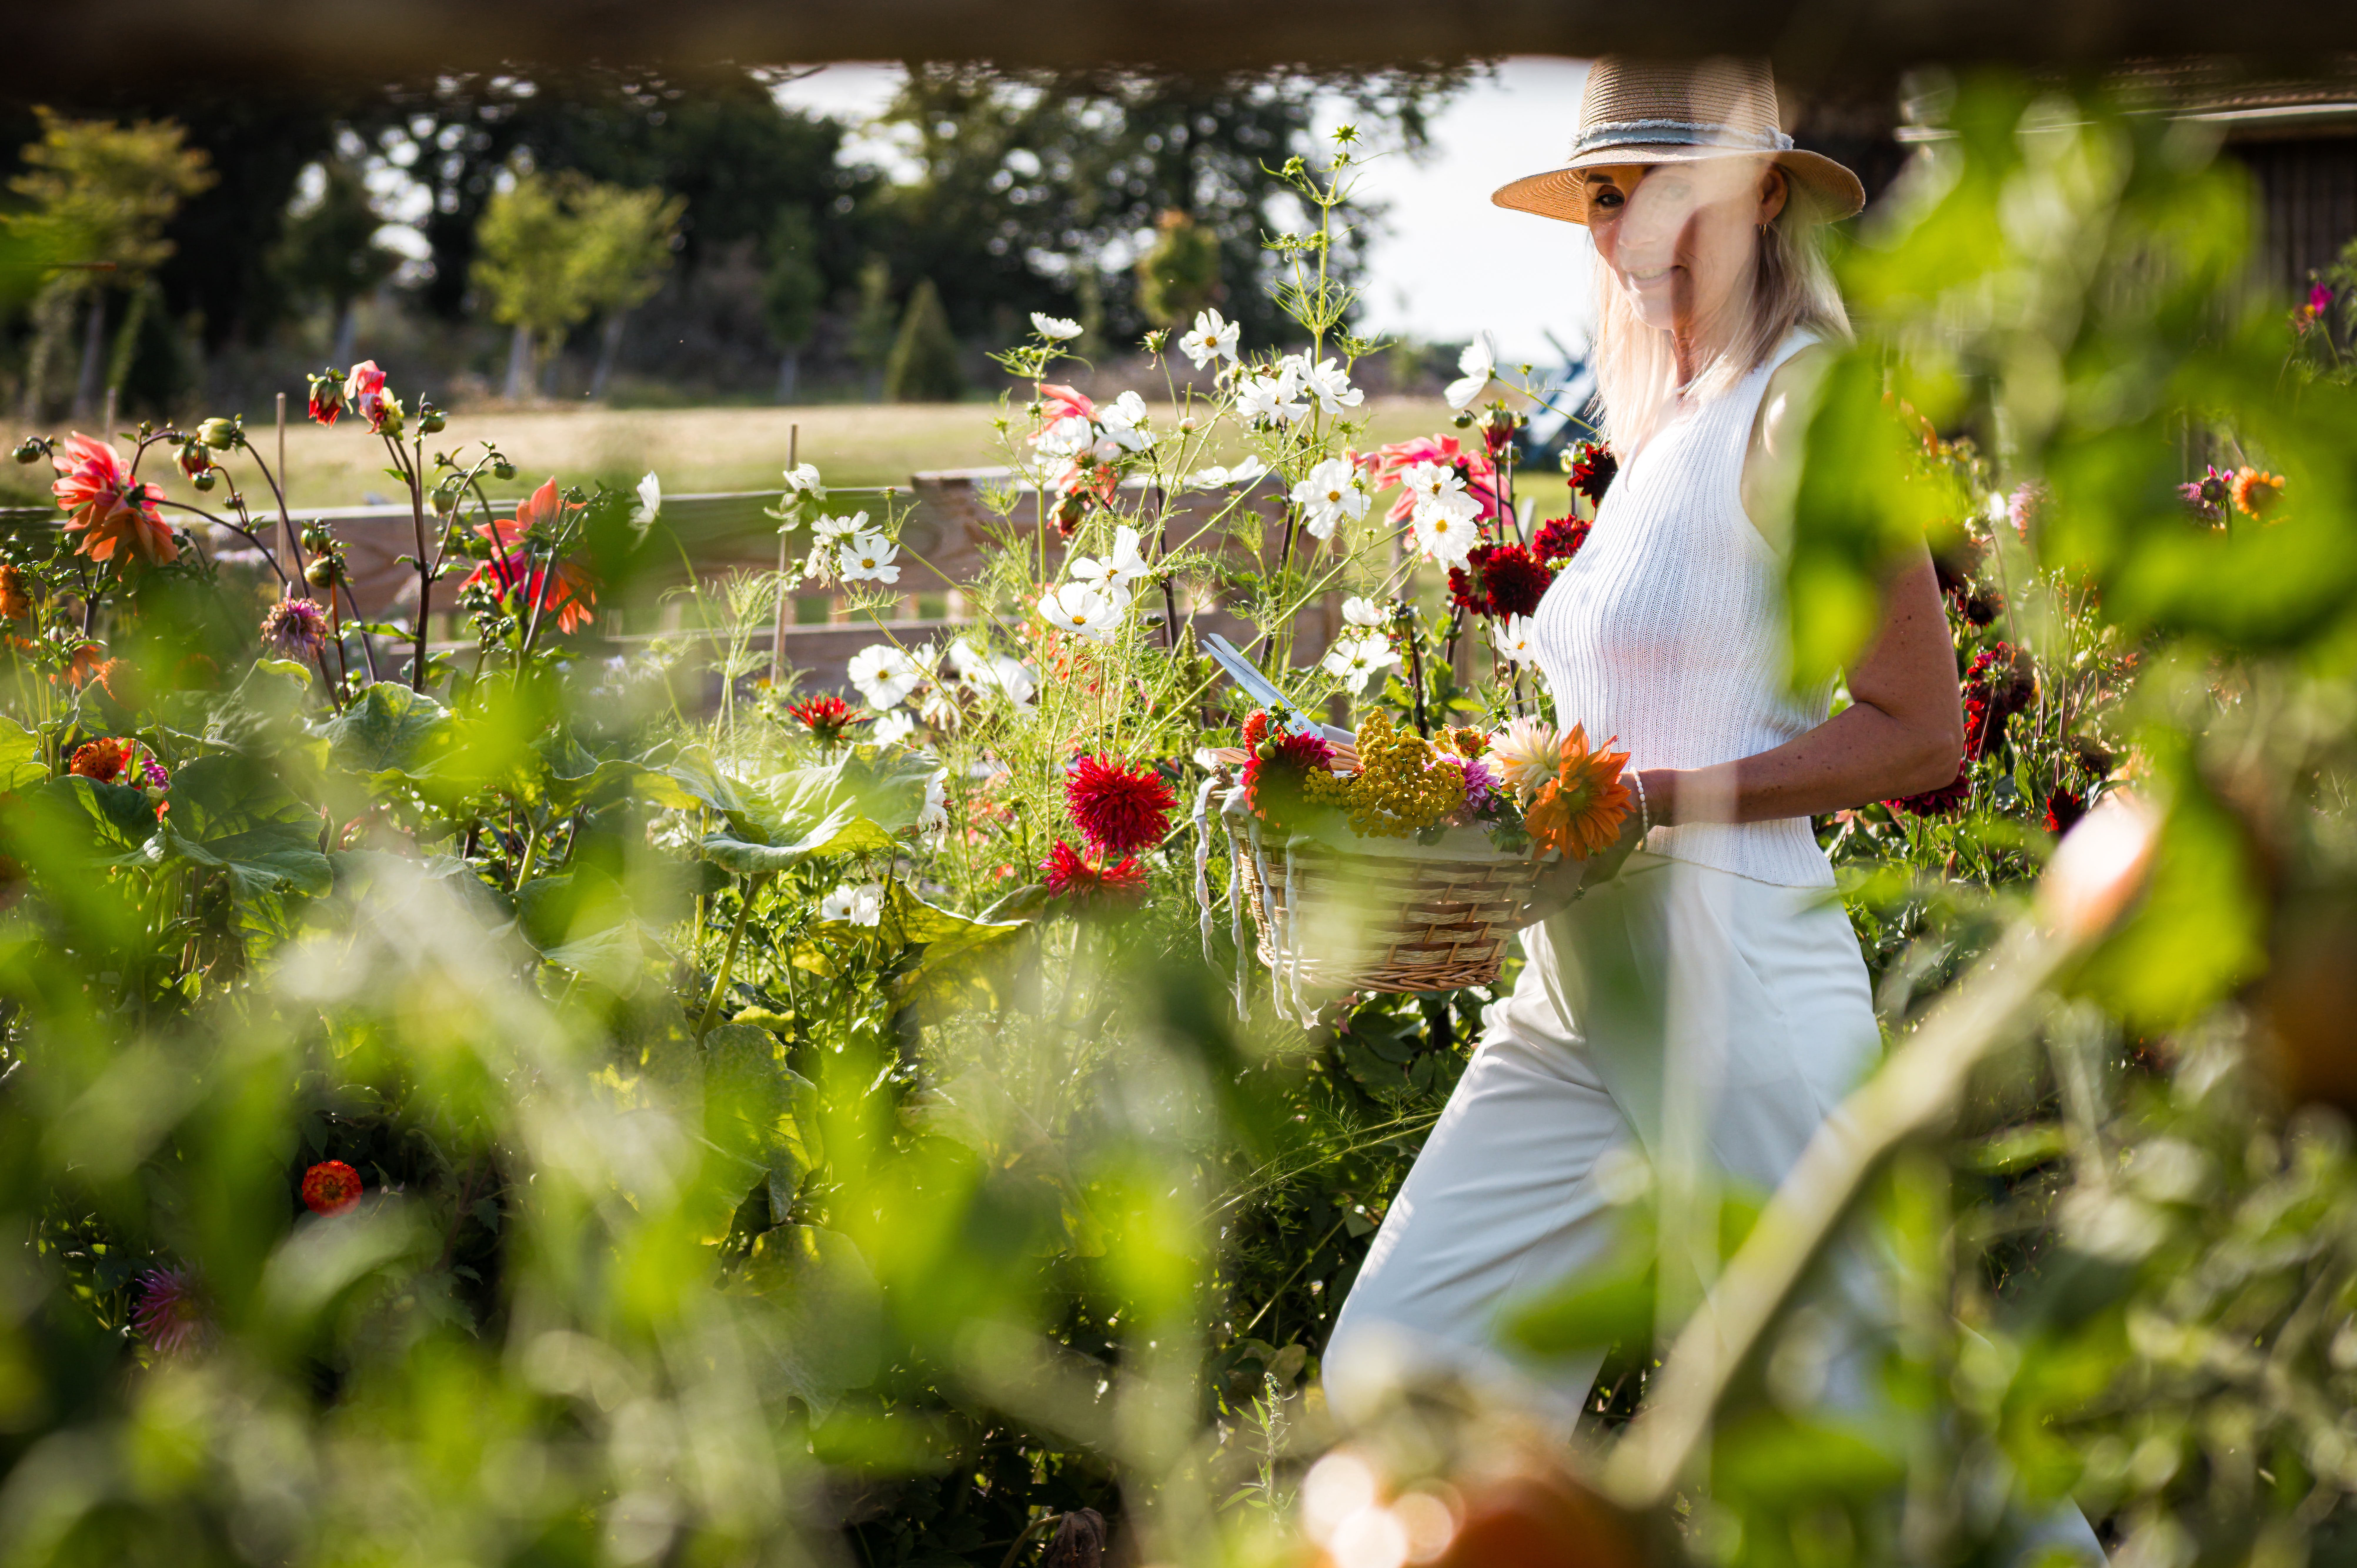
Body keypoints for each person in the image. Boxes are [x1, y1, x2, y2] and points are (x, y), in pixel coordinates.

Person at [1320, 55, 2103, 1562]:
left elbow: (1917, 731)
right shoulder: (1671, 419)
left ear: (1752, 194)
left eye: (1652, 189)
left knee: (1871, 1415)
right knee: (1409, 1376)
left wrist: (1643, 799)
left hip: (1734, 970)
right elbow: (1623, 719)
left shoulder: (1810, 405)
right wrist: (1490, 786)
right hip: (1578, 977)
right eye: (1602, 197)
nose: (1617, 230)